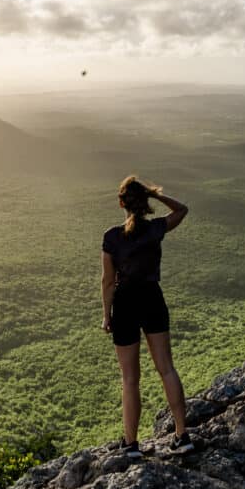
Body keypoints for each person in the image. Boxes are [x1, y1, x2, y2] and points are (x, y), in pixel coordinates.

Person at [101, 174, 193, 459]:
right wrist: (156, 195)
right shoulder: (155, 229)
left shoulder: (112, 237)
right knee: (167, 368)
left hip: (125, 304)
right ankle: (182, 435)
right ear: (144, 203)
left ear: (121, 203)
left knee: (130, 378)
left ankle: (130, 445)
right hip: (153, 298)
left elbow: (107, 281)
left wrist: (107, 316)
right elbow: (182, 210)